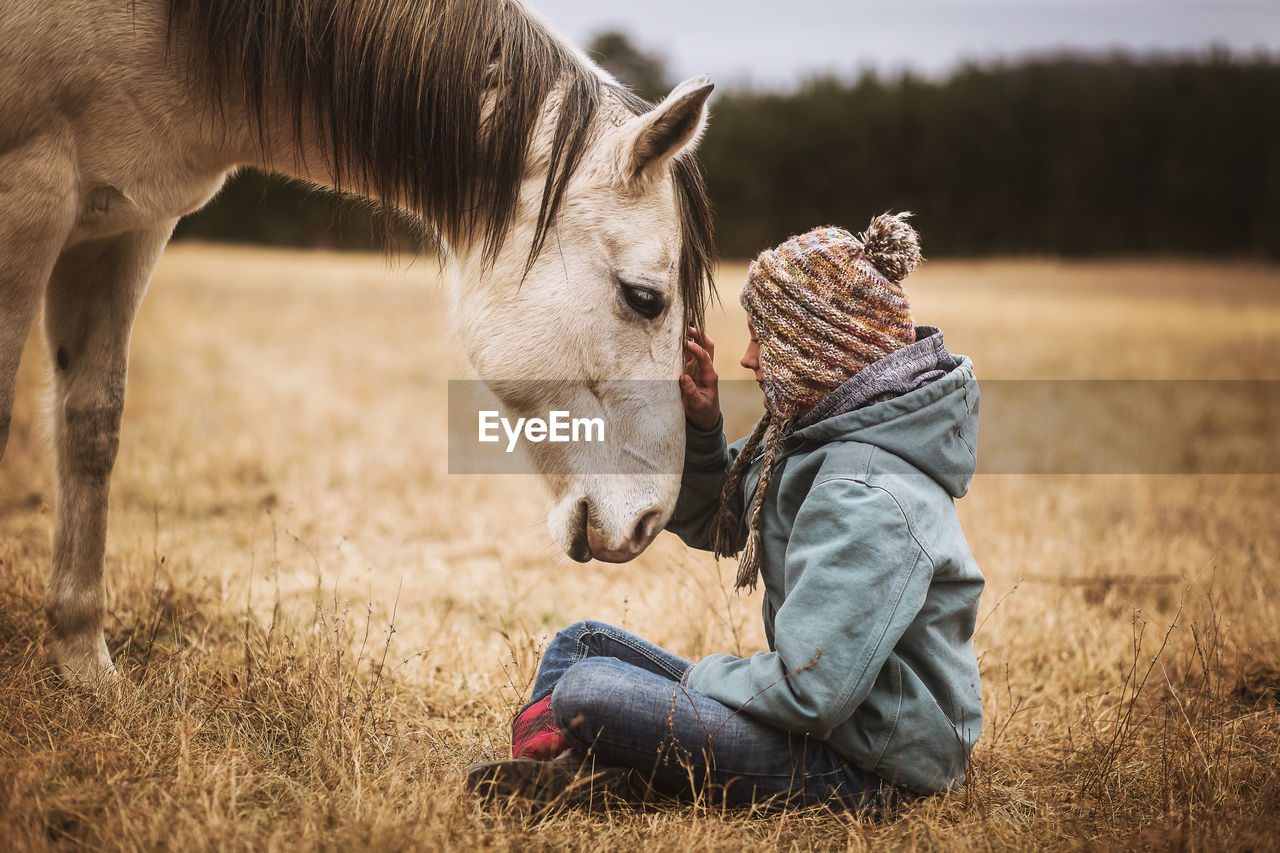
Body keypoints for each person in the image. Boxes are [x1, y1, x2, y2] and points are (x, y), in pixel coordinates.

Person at [466, 213, 985, 814]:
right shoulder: (815, 440)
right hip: (822, 728)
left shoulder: (868, 492)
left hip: (867, 766)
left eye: (764, 336)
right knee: (579, 647)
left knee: (588, 691)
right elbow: (723, 519)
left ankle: (592, 768)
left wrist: (694, 686)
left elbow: (810, 691)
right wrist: (705, 427)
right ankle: (576, 772)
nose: (746, 358)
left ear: (814, 345)